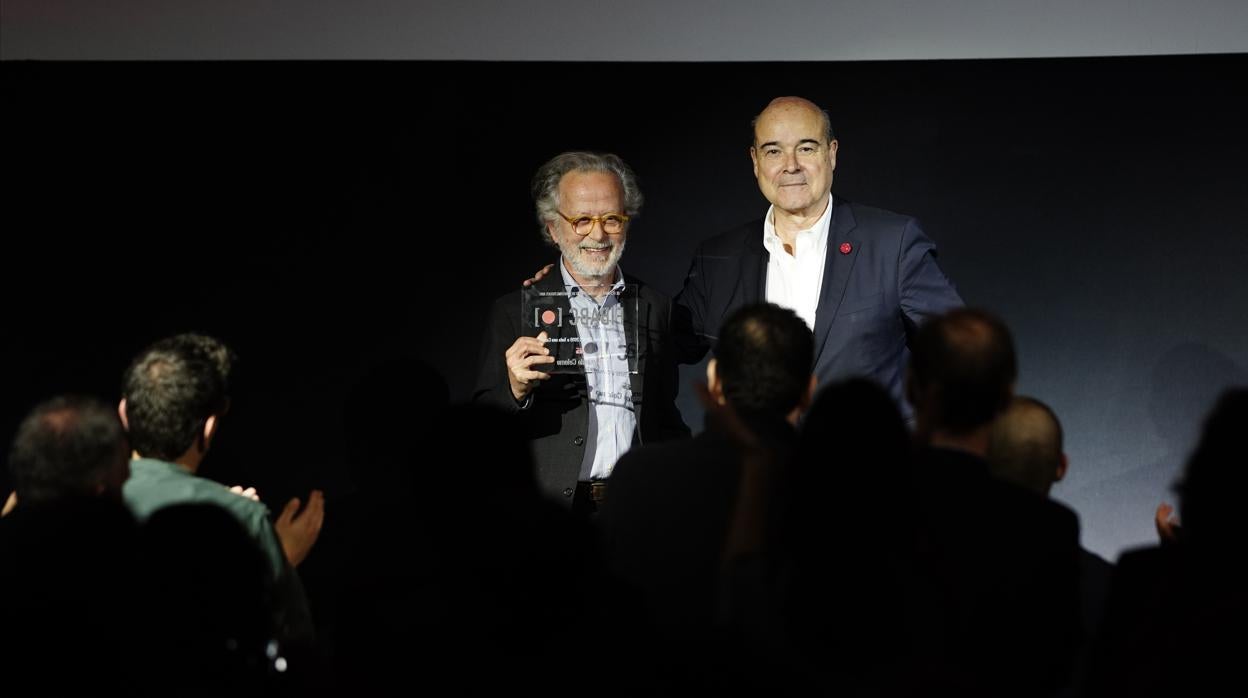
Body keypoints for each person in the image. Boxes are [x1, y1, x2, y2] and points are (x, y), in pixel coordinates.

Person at [675, 96, 963, 420]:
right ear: (755, 161)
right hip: (759, 467)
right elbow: (664, 348)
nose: (791, 165)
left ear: (832, 153)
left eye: (807, 148)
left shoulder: (892, 244)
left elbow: (962, 354)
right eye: (773, 151)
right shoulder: (718, 259)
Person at [474, 151, 689, 512]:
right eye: (582, 220)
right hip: (549, 517)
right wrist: (514, 390)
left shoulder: (655, 307)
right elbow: (479, 430)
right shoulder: (514, 312)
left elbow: (663, 416)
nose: (599, 234)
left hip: (637, 508)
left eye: (612, 219)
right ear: (553, 228)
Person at [118, 332, 323, 644]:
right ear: (209, 426)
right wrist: (277, 559)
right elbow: (292, 655)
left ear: (124, 413)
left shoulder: (58, 499)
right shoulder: (242, 518)